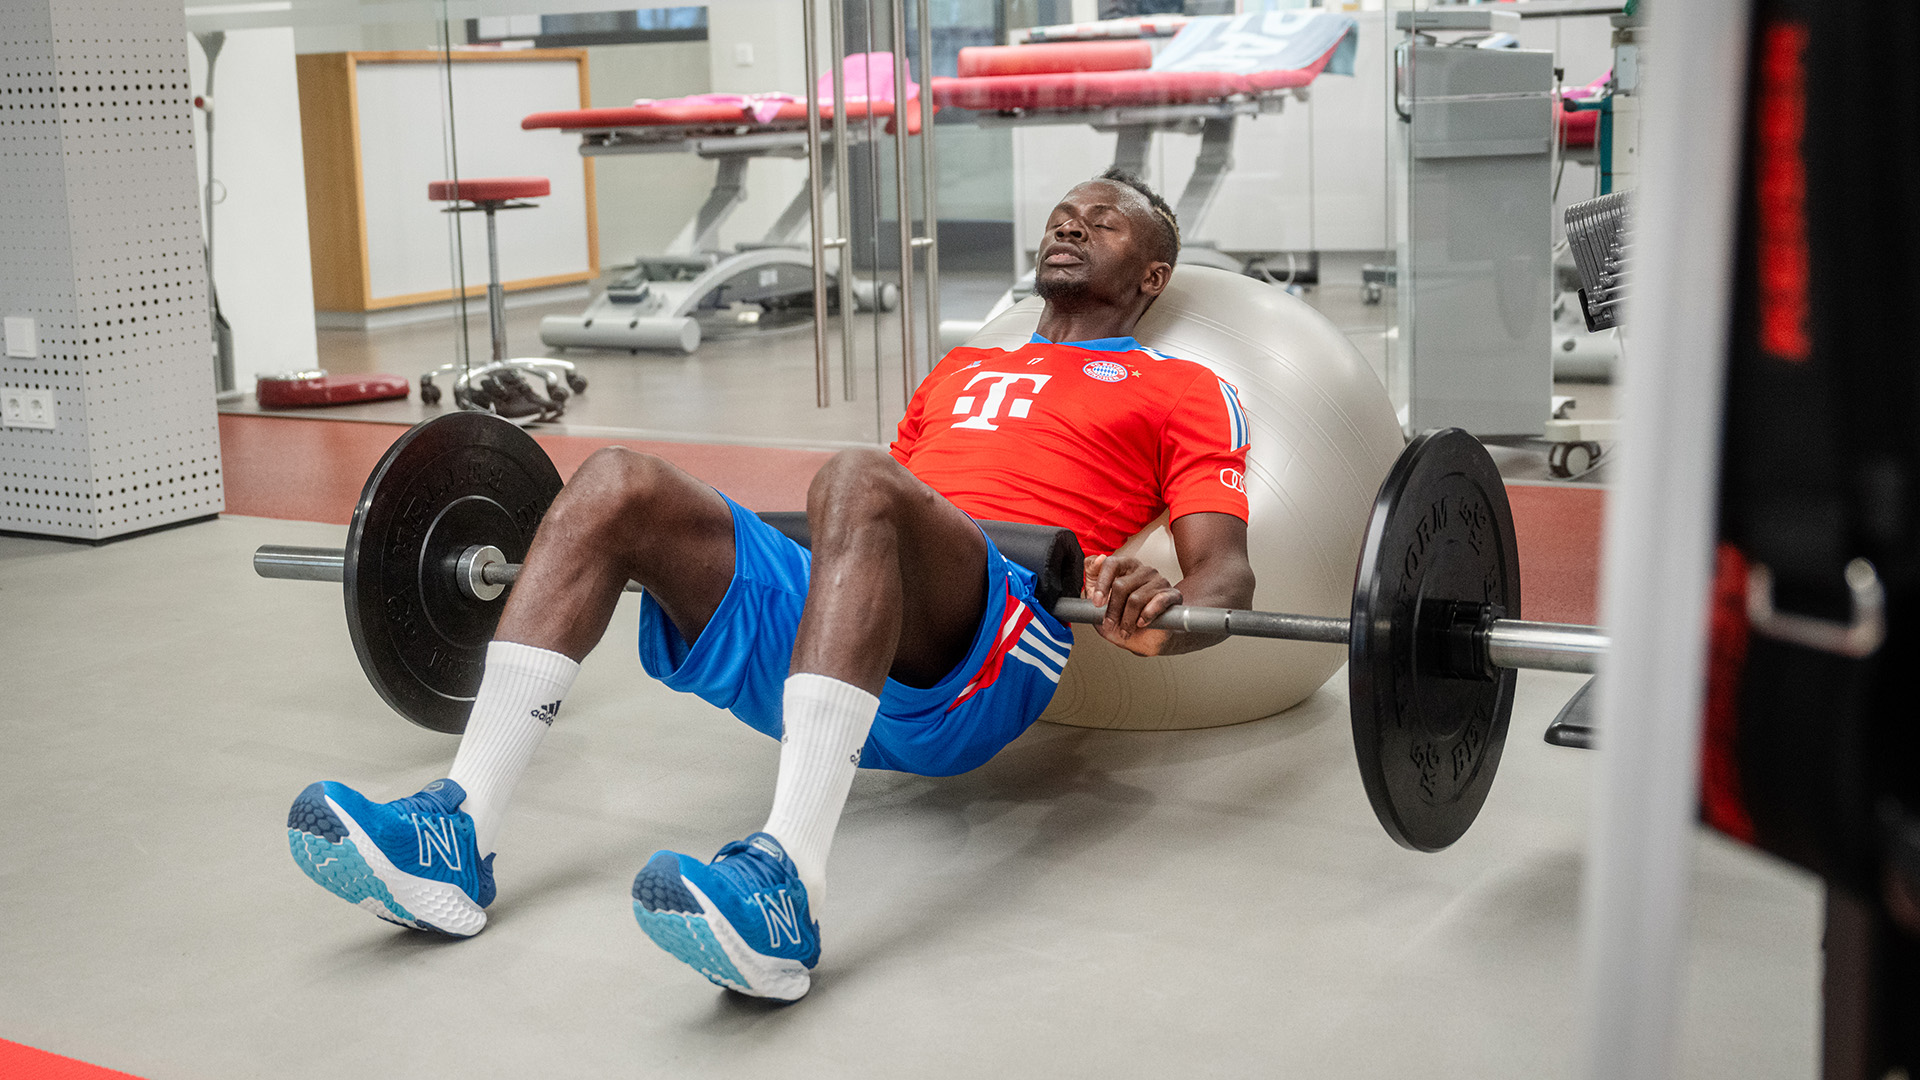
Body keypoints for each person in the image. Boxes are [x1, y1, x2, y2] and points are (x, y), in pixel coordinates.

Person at [286, 167, 1255, 1002]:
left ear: (1152, 275)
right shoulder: (962, 368)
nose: (1069, 224)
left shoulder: (1185, 387)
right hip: (849, 622)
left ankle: (787, 889)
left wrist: (1164, 620)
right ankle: (454, 833)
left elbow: (1228, 578)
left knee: (856, 479)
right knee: (617, 480)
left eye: (1104, 219)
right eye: (1062, 212)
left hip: (989, 645)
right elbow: (868, 535)